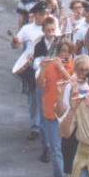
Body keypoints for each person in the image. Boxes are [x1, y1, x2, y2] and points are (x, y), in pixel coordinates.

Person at [36, 39, 74, 177]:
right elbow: (39, 84)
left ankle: (69, 176)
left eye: (67, 52)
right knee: (55, 148)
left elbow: (73, 82)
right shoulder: (50, 64)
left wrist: (61, 68)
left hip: (68, 113)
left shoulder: (73, 65)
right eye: (61, 51)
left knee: (69, 148)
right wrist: (43, 69)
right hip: (51, 111)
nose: (63, 54)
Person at [10, 0, 48, 140]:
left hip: (47, 65)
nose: (44, 16)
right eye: (41, 14)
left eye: (46, 13)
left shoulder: (52, 27)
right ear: (35, 15)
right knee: (33, 97)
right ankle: (35, 126)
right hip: (31, 66)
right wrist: (14, 41)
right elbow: (15, 44)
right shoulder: (27, 29)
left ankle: (46, 124)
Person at [32, 16, 59, 163]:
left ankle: (56, 145)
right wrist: (43, 63)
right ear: (43, 31)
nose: (51, 33)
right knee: (44, 117)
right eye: (48, 31)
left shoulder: (59, 43)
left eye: (53, 30)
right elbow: (36, 64)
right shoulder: (40, 46)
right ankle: (46, 147)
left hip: (55, 82)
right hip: (43, 82)